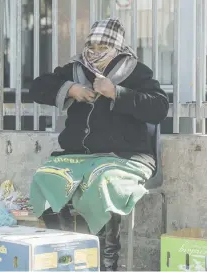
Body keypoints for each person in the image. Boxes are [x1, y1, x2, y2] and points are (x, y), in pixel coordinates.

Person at [29, 18, 169, 271]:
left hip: (124, 156)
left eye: (102, 47)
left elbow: (159, 107)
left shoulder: (135, 71)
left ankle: (106, 262)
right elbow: (37, 87)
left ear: (116, 47)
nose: (94, 52)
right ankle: (66, 254)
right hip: (78, 156)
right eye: (91, 46)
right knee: (46, 177)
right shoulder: (75, 69)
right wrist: (70, 88)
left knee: (104, 182)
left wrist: (117, 92)